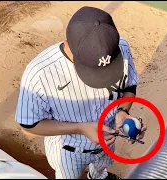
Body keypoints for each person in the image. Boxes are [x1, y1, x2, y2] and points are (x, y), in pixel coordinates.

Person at [15, 6, 147, 179]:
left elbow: (129, 86)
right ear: (68, 44)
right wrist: (80, 128)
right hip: (69, 152)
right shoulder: (39, 73)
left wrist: (123, 112)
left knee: (101, 170)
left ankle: (97, 175)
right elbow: (29, 125)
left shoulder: (120, 48)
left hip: (109, 139)